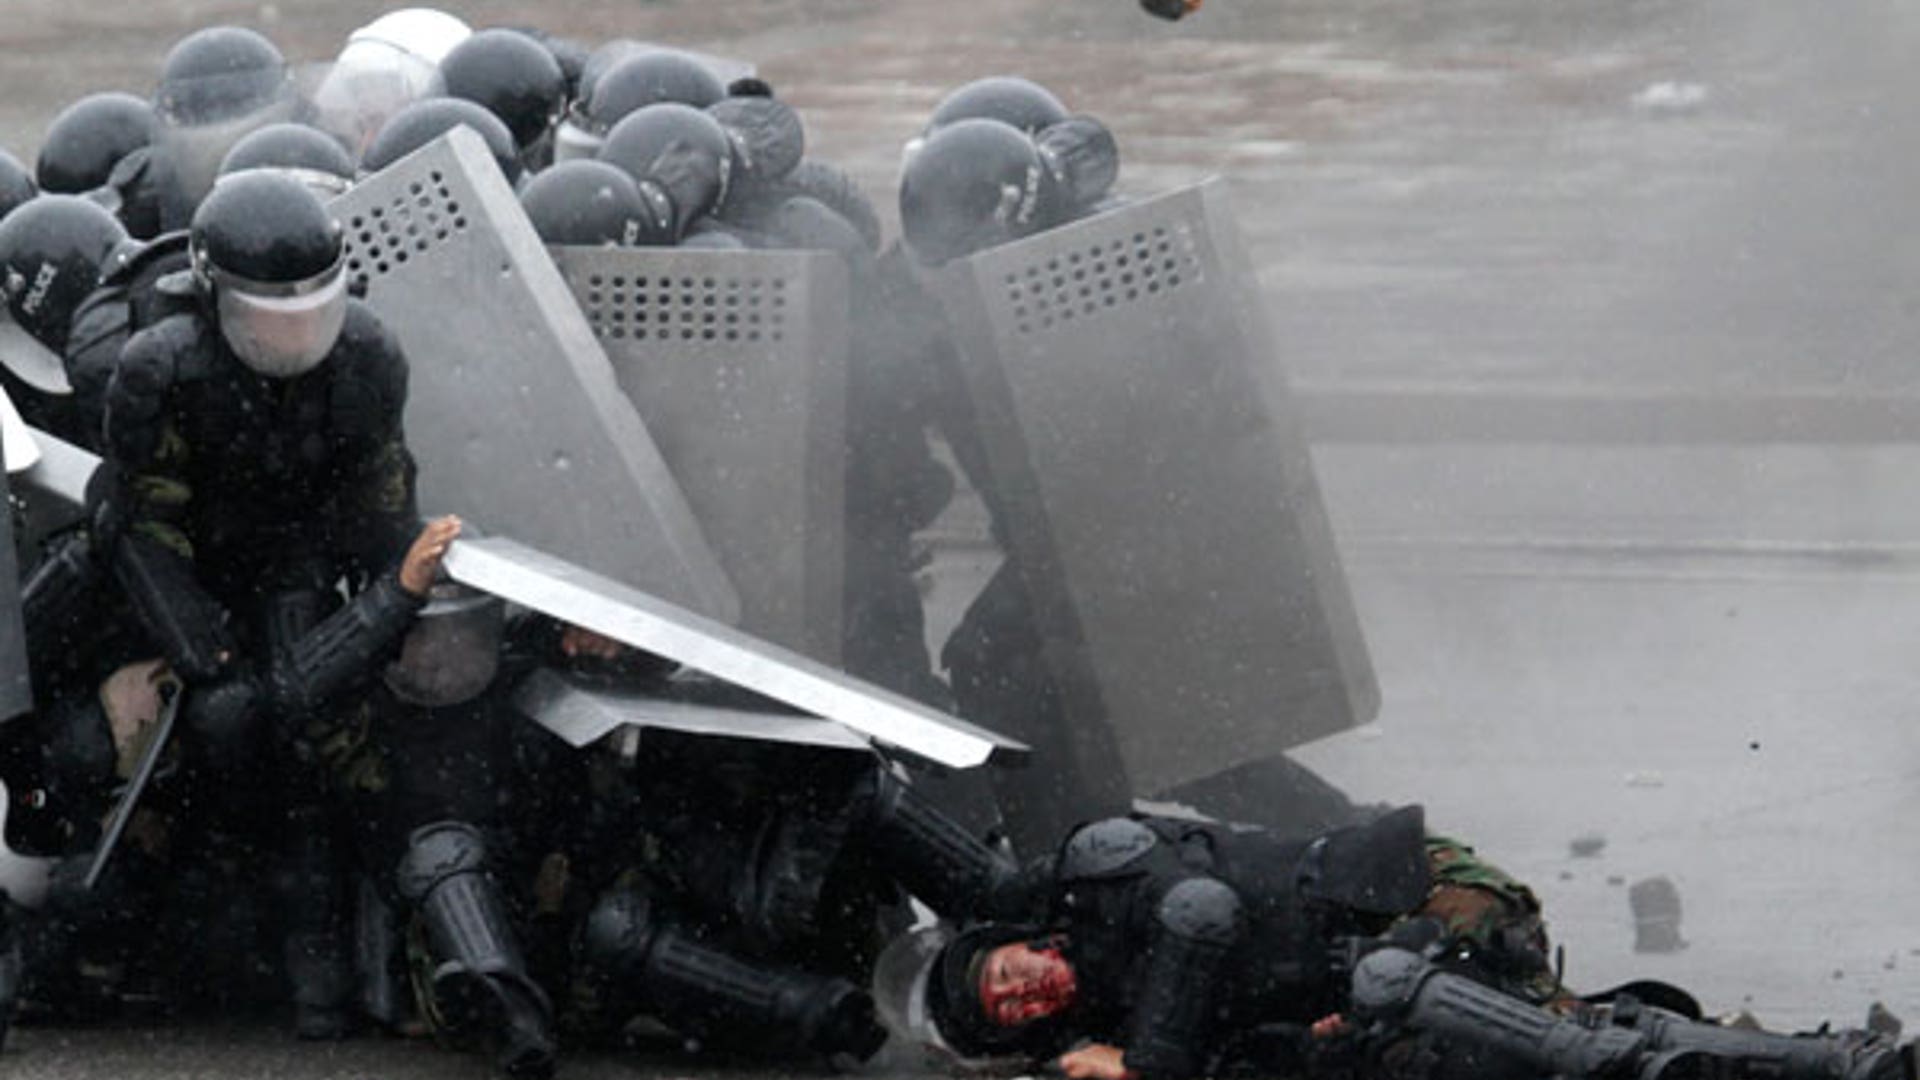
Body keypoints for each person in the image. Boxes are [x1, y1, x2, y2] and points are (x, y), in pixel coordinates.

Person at [94, 169, 420, 1037]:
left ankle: (319, 971)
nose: (295, 334)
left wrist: (396, 610)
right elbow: (142, 520)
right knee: (217, 729)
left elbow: (384, 502)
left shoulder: (369, 358)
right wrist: (201, 645)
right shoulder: (158, 368)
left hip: (297, 564)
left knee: (307, 742)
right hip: (182, 566)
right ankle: (157, 947)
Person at [890, 805, 1913, 1080]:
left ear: (1013, 940)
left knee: (1404, 986)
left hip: (1432, 899)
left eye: (1008, 974)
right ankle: (1830, 1058)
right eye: (1012, 1011)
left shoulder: (1097, 866)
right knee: (1565, 1046)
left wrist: (1150, 1066)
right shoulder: (1112, 1015)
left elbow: (1203, 915)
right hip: (1398, 982)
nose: (1026, 990)